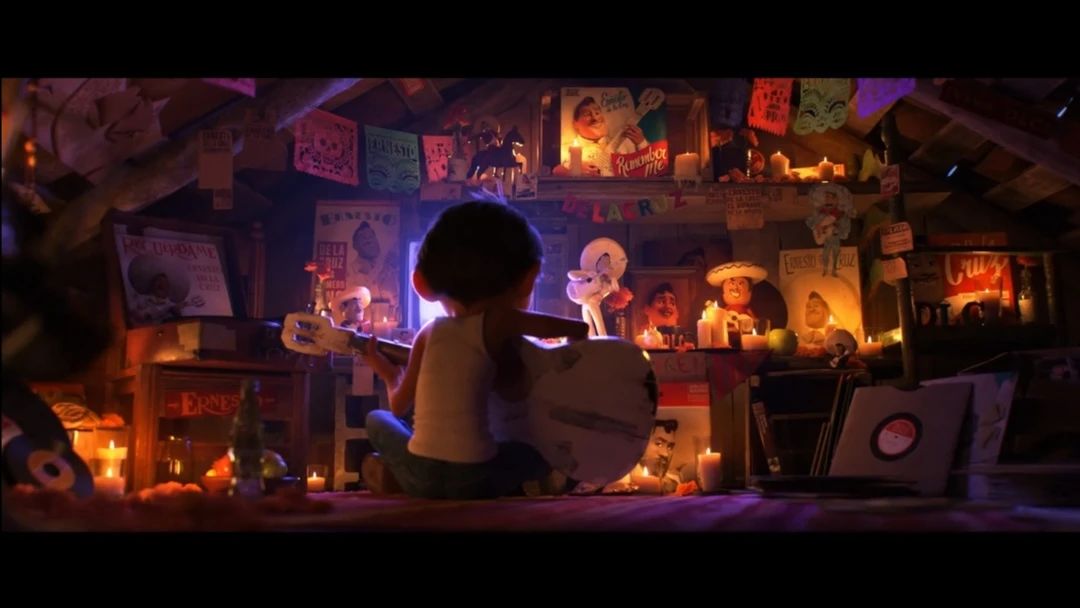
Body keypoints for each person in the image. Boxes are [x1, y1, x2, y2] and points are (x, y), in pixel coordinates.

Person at [360, 200, 590, 499]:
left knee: (378, 419)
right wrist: (565, 371)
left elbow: (399, 407)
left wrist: (390, 375)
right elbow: (578, 329)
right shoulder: (500, 321)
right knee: (535, 453)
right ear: (527, 279)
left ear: (421, 284)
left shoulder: (428, 334)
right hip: (477, 479)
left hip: (423, 473)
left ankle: (398, 476)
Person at [552, 96, 649, 177]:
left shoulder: (626, 142)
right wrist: (574, 170)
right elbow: (556, 171)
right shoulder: (568, 150)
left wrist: (641, 143)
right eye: (587, 114)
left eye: (597, 113)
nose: (595, 118)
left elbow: (649, 170)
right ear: (575, 124)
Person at [127, 259, 205, 325]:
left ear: (169, 288)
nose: (161, 284)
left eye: (164, 283)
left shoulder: (175, 308)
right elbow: (134, 315)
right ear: (152, 284)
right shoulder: (140, 299)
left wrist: (177, 313)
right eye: (158, 281)